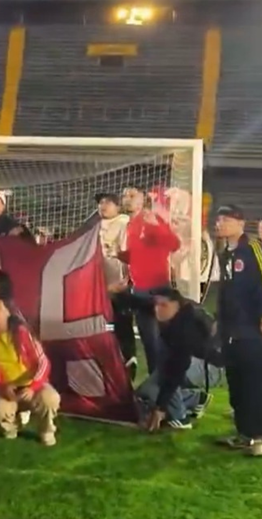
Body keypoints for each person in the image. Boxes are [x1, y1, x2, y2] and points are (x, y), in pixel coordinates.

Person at [212, 205, 262, 457]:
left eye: (227, 219)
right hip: (230, 330)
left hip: (251, 331)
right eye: (219, 219)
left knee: (253, 384)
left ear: (241, 223)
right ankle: (245, 434)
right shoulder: (226, 253)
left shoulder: (253, 250)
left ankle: (258, 437)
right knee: (237, 384)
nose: (220, 223)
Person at [136, 288, 222, 432]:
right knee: (146, 390)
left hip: (210, 368)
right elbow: (137, 302)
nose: (158, 309)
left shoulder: (184, 328)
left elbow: (176, 369)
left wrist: (161, 408)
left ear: (175, 305)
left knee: (163, 377)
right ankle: (197, 398)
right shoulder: (178, 314)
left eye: (163, 305)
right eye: (156, 305)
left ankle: (180, 418)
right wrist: (119, 295)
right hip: (204, 365)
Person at [0, 296, 60, 446]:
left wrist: (33, 387)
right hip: (9, 389)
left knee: (50, 398)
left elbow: (43, 362)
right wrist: (3, 387)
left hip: (31, 387)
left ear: (8, 311)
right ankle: (11, 430)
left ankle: (46, 431)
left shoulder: (23, 333)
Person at [119, 185, 180, 375]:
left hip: (158, 288)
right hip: (139, 290)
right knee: (149, 341)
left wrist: (155, 225)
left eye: (132, 195)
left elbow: (174, 244)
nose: (127, 198)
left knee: (160, 340)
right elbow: (140, 256)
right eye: (124, 195)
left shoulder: (152, 219)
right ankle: (158, 385)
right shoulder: (131, 224)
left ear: (143, 198)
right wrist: (120, 256)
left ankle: (170, 391)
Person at [96, 192, 136, 375]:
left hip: (120, 284)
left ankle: (128, 361)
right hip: (99, 285)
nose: (103, 206)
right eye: (101, 202)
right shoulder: (95, 225)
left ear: (118, 207)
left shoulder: (124, 223)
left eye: (109, 202)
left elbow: (129, 253)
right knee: (103, 325)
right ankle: (105, 362)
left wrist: (127, 279)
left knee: (122, 323)